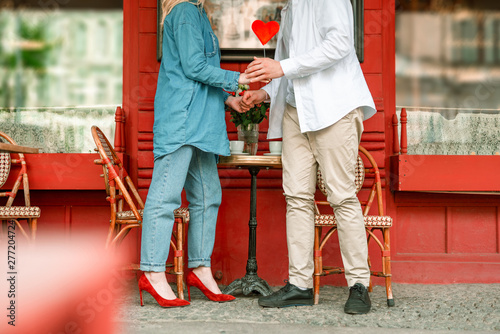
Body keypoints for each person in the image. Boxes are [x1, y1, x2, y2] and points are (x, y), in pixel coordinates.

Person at [241, 0, 377, 314]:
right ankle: (299, 285)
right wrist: (266, 93)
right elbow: (287, 66)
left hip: (334, 107)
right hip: (295, 110)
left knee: (342, 196)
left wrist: (282, 68)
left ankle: (359, 285)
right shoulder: (288, 8)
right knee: (296, 197)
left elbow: (341, 43)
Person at [139, 0, 250, 308]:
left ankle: (200, 269)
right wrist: (237, 79)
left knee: (207, 195)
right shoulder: (186, 10)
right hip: (183, 120)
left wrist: (230, 102)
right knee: (165, 198)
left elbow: (196, 74)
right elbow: (193, 67)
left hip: (200, 122)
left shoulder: (197, 12)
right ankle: (152, 271)